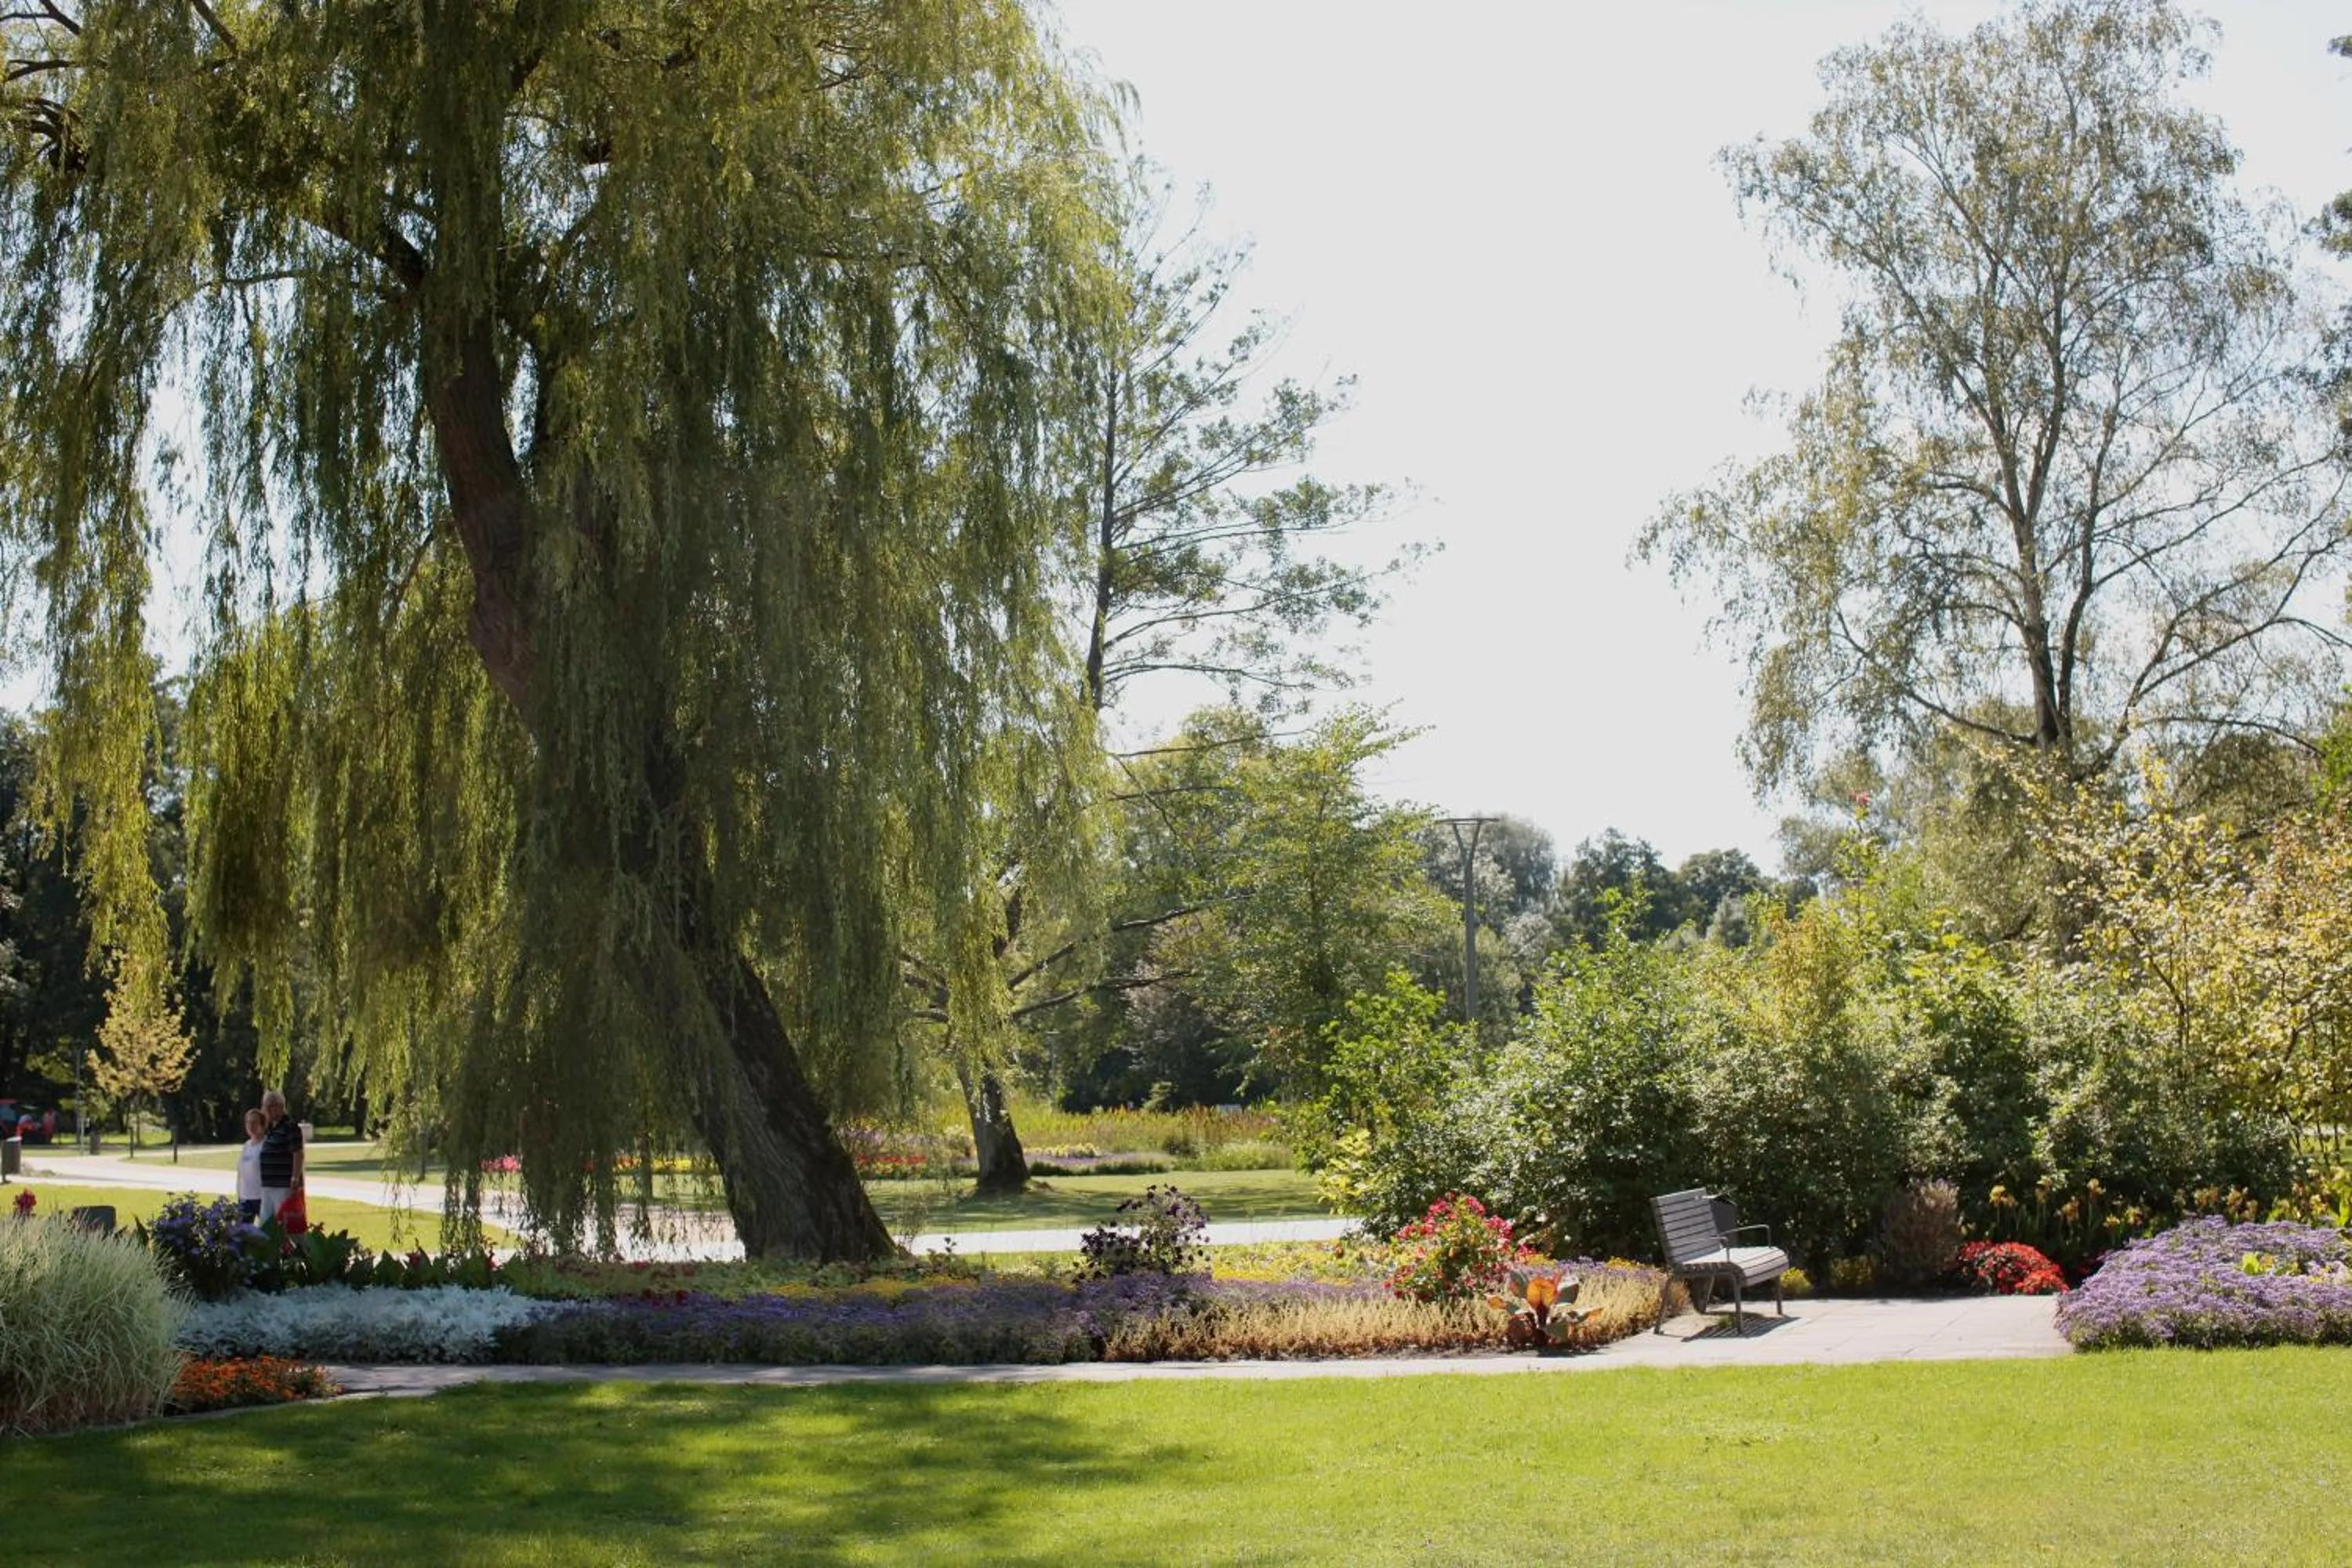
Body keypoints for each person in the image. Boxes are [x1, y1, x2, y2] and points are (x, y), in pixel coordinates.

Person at [256, 1088, 305, 1224]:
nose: (264, 1110)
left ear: (277, 1107)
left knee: (285, 1224)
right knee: (266, 1224)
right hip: (268, 1185)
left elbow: (298, 1153)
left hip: (283, 1185)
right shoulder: (272, 1128)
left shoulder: (290, 1126)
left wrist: (295, 1177)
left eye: (266, 1107)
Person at [234, 1108, 267, 1222]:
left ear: (262, 1125)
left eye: (254, 1122)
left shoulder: (267, 1145)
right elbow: (240, 1173)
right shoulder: (246, 1145)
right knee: (243, 1236)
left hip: (262, 1198)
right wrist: (239, 1194)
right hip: (245, 1198)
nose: (251, 1126)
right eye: (248, 1122)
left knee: (268, 1235)